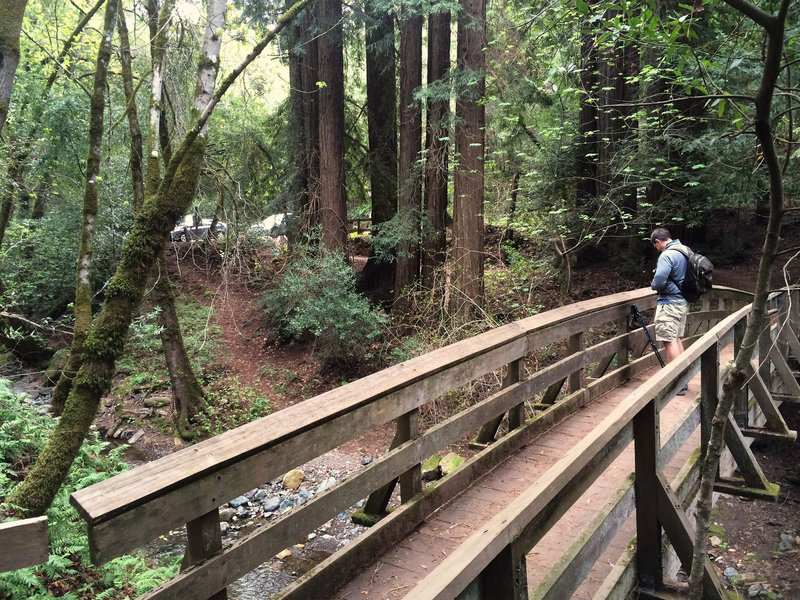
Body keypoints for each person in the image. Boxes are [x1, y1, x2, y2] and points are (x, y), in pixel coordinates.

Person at [650, 227, 690, 393]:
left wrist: (653, 284)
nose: (657, 249)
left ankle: (678, 382)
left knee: (668, 339)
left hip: (670, 303)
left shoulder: (667, 255)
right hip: (682, 301)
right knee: (676, 337)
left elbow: (658, 282)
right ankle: (684, 377)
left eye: (655, 246)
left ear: (658, 241)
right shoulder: (685, 250)